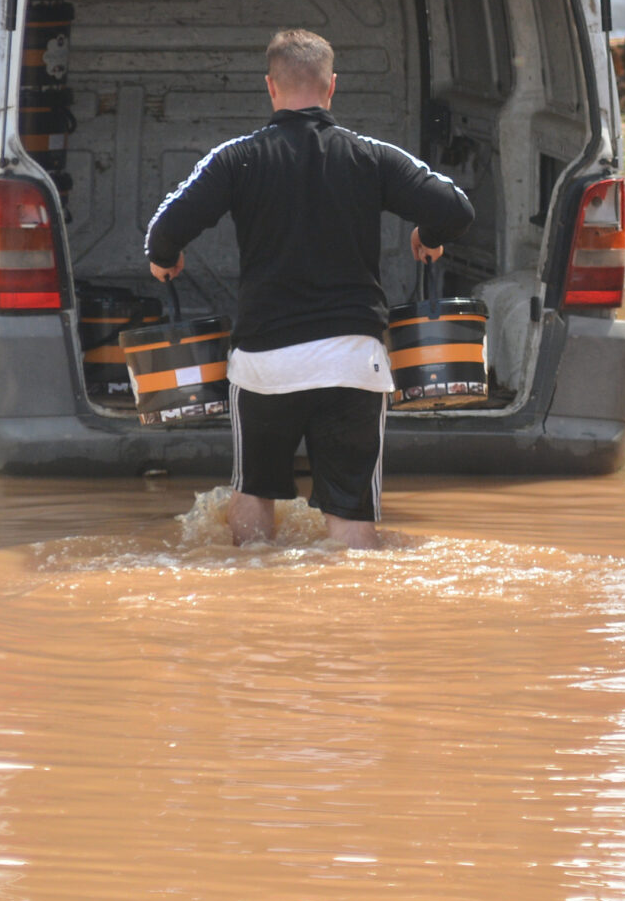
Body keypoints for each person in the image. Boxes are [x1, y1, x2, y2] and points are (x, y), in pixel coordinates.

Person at [144, 29, 473, 548]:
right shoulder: (370, 155)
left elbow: (163, 230)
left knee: (253, 493)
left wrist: (165, 261)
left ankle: (257, 594)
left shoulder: (238, 158)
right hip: (351, 362)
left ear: (271, 88)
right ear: (332, 87)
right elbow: (456, 210)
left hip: (264, 365)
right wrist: (426, 237)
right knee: (352, 519)